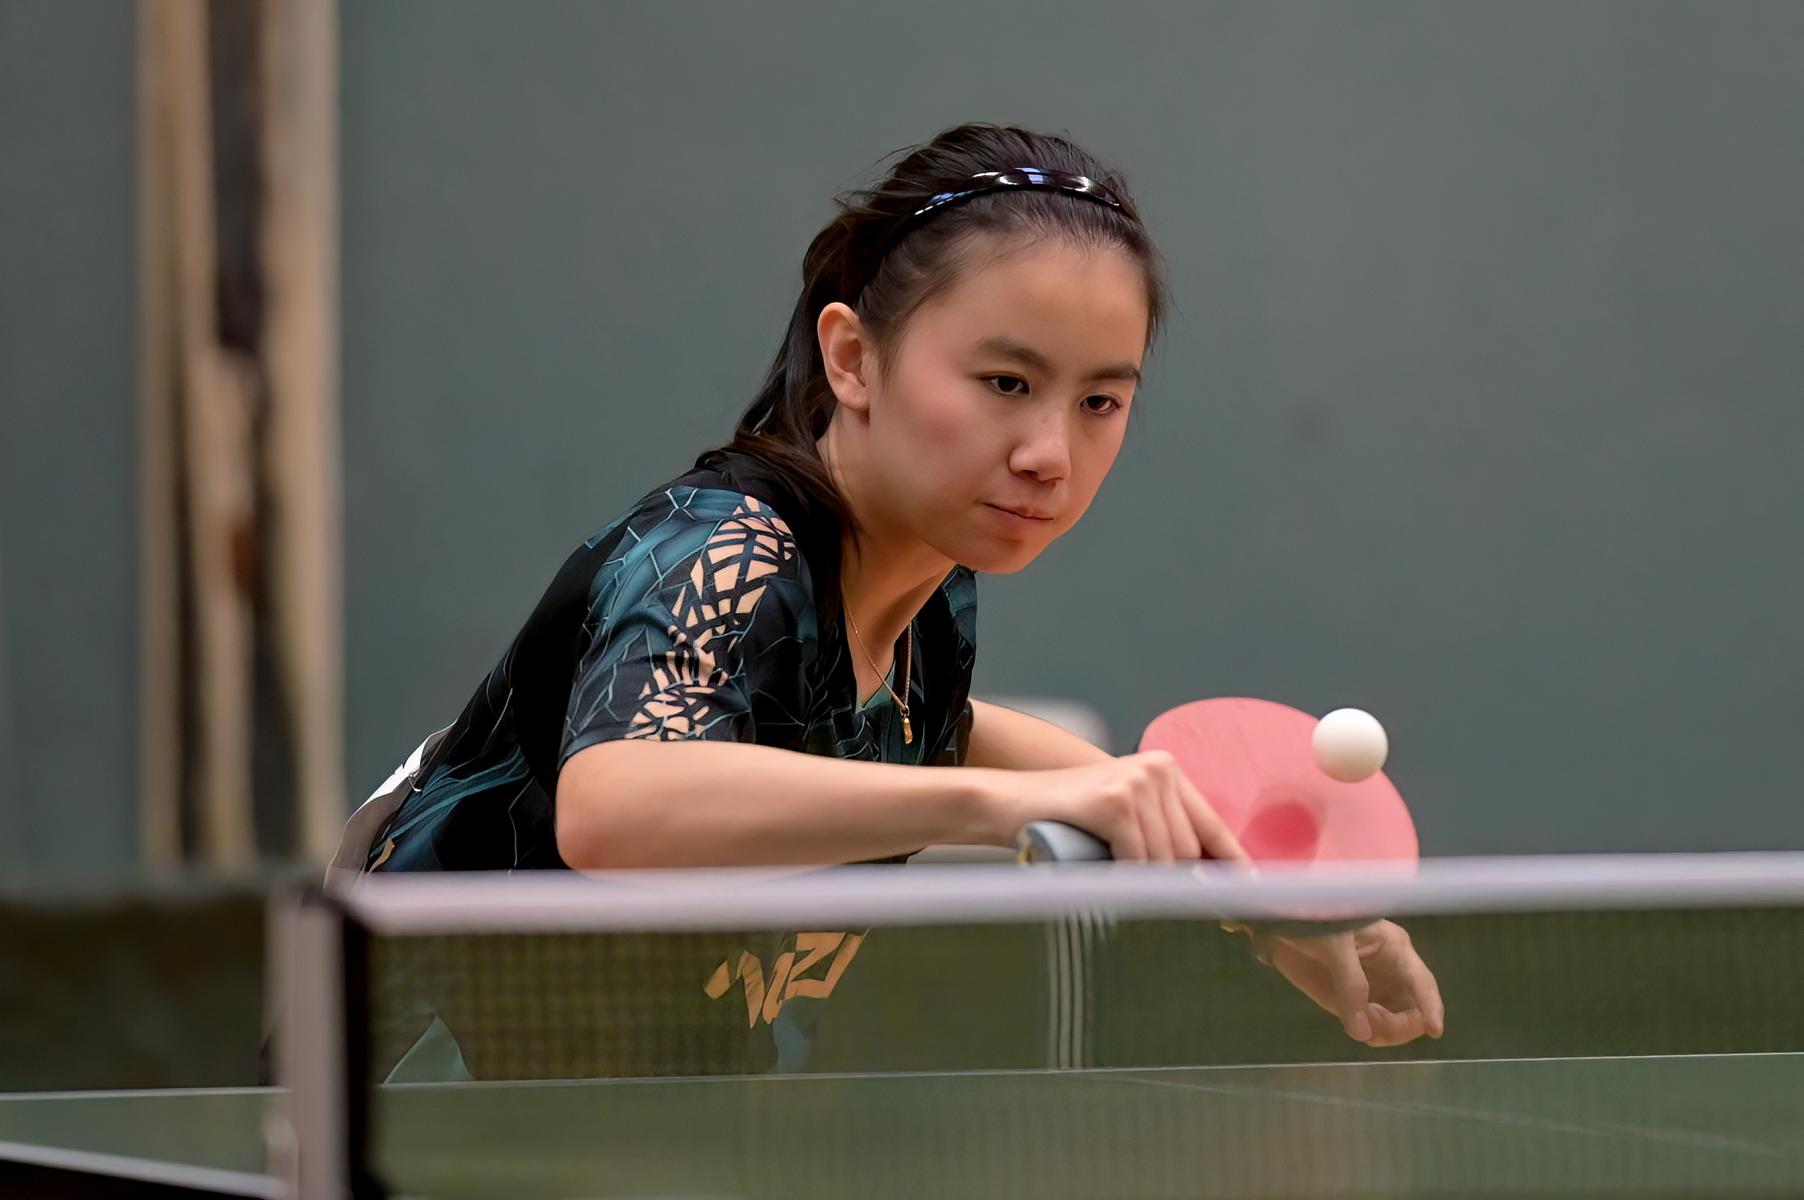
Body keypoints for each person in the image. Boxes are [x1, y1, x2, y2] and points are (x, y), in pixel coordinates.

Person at [350, 123, 1443, 1052]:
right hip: (423, 1116)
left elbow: (931, 730)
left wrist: (1253, 894)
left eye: (1099, 403)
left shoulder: (924, 591)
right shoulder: (722, 548)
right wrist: (1004, 811)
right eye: (1005, 382)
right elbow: (616, 807)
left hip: (638, 1118)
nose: (1050, 455)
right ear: (852, 358)